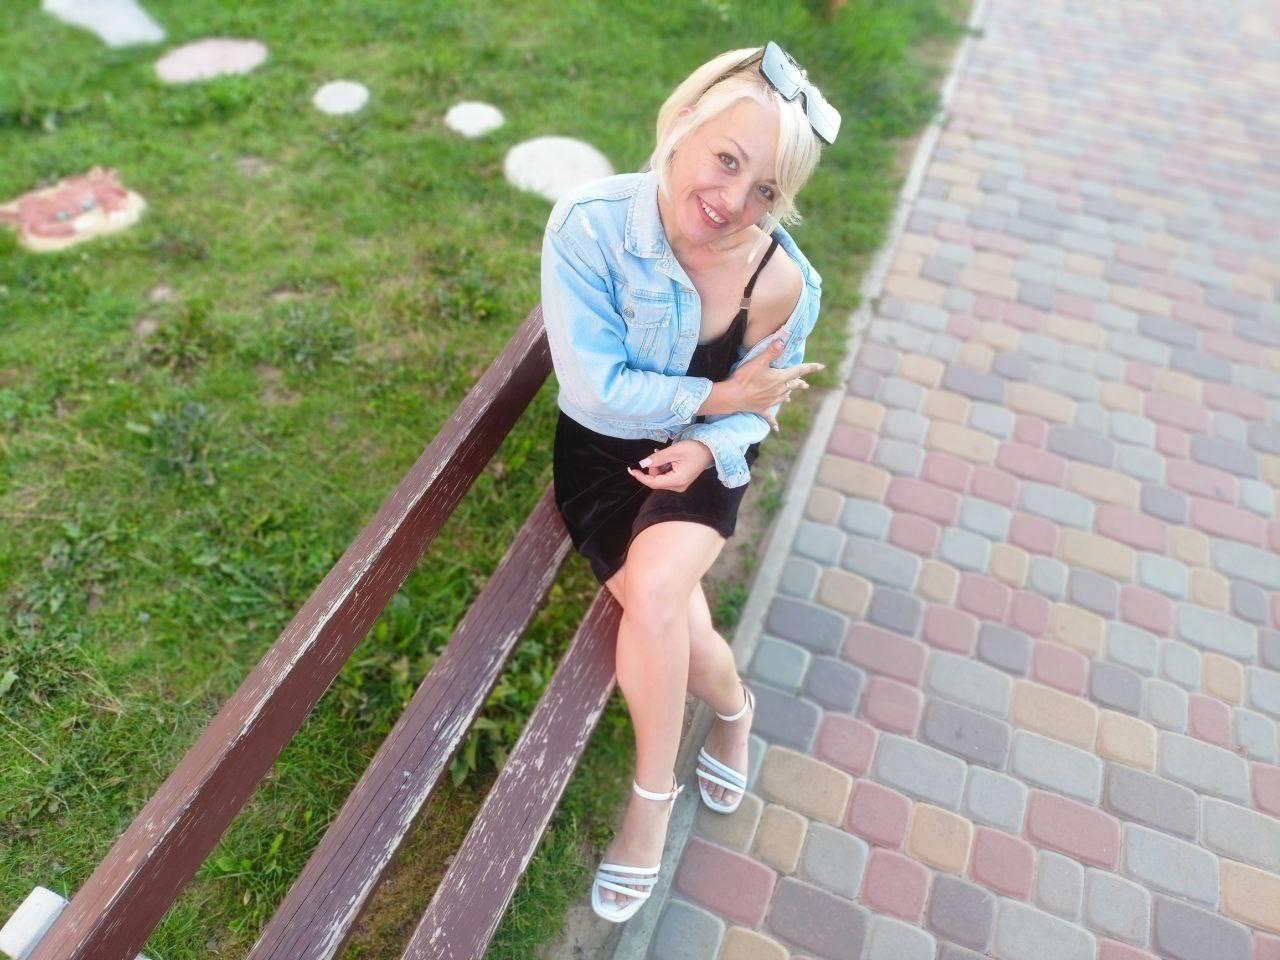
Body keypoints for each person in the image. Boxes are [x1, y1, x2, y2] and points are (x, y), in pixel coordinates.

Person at [539, 41, 839, 922]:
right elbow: (596, 389)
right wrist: (719, 395)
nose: (735, 202)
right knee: (672, 612)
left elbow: (759, 410)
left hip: (705, 460)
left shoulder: (781, 281)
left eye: (766, 190)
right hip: (604, 457)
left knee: (660, 589)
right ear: (682, 125)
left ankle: (649, 798)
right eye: (727, 160)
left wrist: (712, 440)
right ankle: (736, 710)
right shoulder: (591, 226)